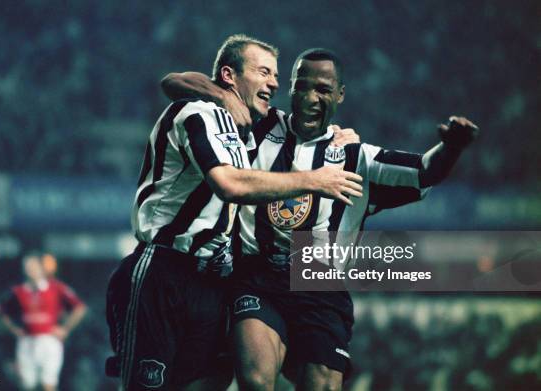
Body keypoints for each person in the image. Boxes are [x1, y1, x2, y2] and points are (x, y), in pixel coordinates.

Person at [162, 48, 479, 390]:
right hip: (257, 275)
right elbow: (175, 82)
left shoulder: (358, 157)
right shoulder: (259, 126)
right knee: (255, 380)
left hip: (319, 281)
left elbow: (424, 171)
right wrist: (224, 96)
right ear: (292, 89)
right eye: (302, 86)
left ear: (340, 94)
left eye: (324, 90)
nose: (311, 98)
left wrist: (452, 147)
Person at [105, 35, 363, 391]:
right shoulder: (197, 112)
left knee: (212, 380)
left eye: (275, 74)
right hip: (164, 269)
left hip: (213, 281)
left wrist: (330, 138)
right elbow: (229, 182)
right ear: (229, 75)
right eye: (264, 72)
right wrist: (313, 180)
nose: (274, 82)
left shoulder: (249, 133)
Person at [0, 251, 87, 391]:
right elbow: (1, 311)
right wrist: (13, 329)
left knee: (49, 383)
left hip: (49, 341)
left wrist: (65, 328)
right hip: (27, 342)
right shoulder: (18, 291)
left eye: (33, 266)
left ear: (41, 267)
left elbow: (80, 307)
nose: (30, 270)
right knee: (27, 385)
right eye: (27, 267)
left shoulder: (56, 288)